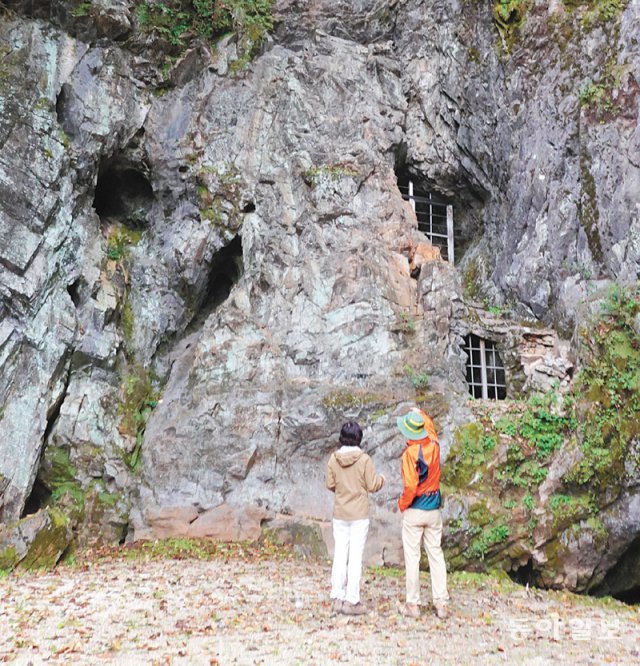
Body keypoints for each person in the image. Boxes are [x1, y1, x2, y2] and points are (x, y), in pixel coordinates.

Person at [326, 421, 385, 615]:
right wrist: (382, 480)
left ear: (341, 437)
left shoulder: (334, 459)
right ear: (359, 438)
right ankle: (352, 600)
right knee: (355, 557)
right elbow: (372, 485)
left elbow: (330, 483)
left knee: (340, 554)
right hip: (359, 514)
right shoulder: (364, 459)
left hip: (340, 513)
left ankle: (337, 596)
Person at [396, 408, 449, 619]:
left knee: (412, 557)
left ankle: (413, 604)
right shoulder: (434, 446)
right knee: (435, 554)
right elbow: (431, 429)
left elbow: (410, 486)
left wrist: (402, 504)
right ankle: (441, 603)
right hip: (433, 510)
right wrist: (422, 414)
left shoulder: (409, 454)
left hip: (415, 510)